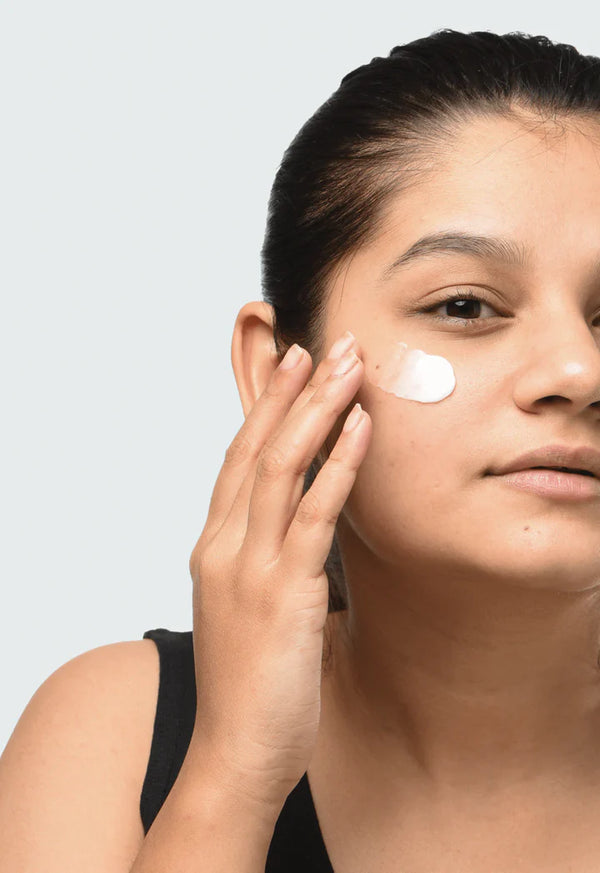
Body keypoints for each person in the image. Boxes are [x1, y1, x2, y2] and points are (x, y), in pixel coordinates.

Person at [2, 26, 600, 872]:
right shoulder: (117, 735)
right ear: (279, 366)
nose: (579, 369)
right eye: (466, 306)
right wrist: (234, 773)